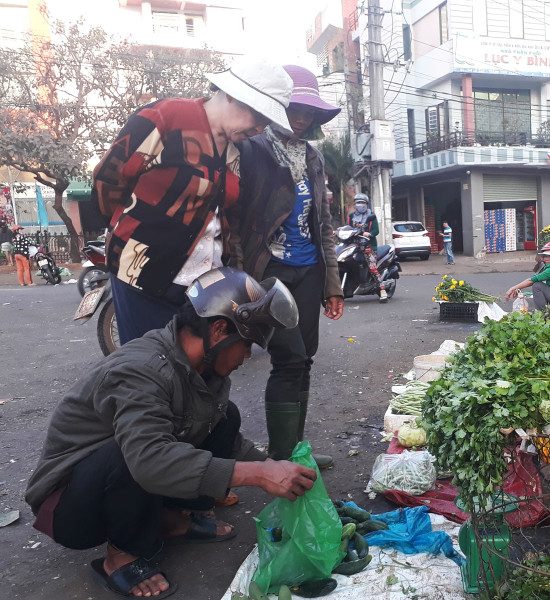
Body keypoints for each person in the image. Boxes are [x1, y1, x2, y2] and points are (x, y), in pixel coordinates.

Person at [24, 268, 313, 599]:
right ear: (220, 330)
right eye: (247, 345)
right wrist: (260, 474)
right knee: (137, 453)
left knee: (224, 416)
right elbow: (149, 461)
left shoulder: (203, 368)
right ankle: (120, 556)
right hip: (71, 504)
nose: (248, 356)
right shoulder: (142, 370)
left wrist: (274, 468)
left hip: (126, 474)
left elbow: (228, 442)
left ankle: (172, 519)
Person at [92, 56, 293, 346]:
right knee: (151, 371)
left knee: (195, 375)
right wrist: (135, 229)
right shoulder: (166, 118)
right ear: (234, 96)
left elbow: (220, 213)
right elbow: (109, 181)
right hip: (143, 273)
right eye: (259, 117)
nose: (261, 129)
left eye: (267, 122)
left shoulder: (236, 150)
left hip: (203, 283)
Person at [230, 65, 343, 468]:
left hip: (308, 270)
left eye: (310, 113)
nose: (303, 119)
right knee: (289, 357)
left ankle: (296, 449)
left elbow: (323, 222)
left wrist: (332, 283)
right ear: (278, 106)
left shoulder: (312, 157)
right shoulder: (252, 149)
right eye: (296, 109)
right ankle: (280, 455)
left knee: (305, 358)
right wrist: (242, 278)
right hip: (268, 272)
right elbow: (235, 220)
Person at [504, 242, 550, 310]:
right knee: (541, 285)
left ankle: (542, 314)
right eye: (545, 256)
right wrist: (524, 293)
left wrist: (512, 289)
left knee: (537, 286)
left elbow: (531, 281)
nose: (546, 259)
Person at [348, 193, 387, 301]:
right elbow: (348, 228)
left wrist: (369, 234)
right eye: (358, 202)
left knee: (372, 268)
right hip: (354, 246)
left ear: (366, 204)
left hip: (368, 246)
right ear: (355, 204)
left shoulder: (371, 215)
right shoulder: (351, 216)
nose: (360, 205)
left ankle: (382, 289)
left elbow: (376, 230)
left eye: (363, 202)